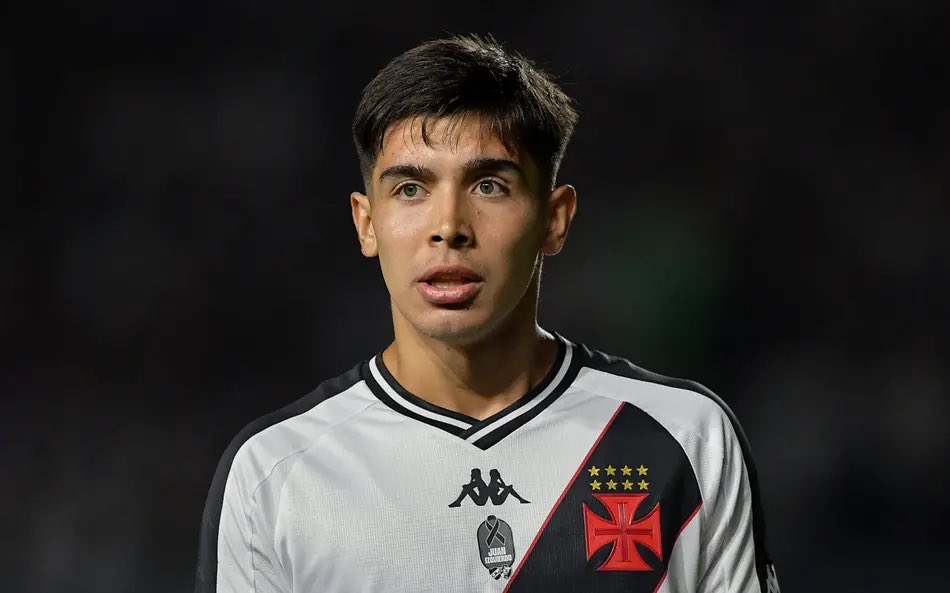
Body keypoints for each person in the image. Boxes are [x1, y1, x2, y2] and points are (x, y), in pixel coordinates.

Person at [195, 34, 780, 593]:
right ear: (366, 223)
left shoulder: (685, 438)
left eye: (489, 186)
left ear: (554, 218)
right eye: (410, 189)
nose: (449, 226)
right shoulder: (274, 473)